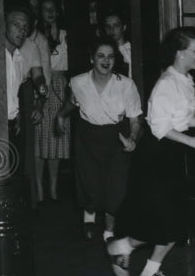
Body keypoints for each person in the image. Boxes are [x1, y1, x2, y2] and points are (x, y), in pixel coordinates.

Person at [106, 27, 195, 276]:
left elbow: (178, 118)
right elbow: (159, 126)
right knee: (162, 219)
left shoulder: (183, 80)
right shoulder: (166, 84)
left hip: (171, 153)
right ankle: (121, 247)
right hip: (155, 157)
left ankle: (149, 273)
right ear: (180, 53)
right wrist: (192, 140)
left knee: (175, 220)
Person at [55, 39, 142, 243]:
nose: (106, 61)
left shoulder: (126, 85)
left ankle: (109, 233)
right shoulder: (78, 82)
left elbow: (135, 119)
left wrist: (132, 138)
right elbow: (71, 103)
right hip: (88, 137)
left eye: (111, 56)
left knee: (117, 187)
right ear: (92, 58)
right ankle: (89, 214)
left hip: (117, 137)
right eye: (101, 56)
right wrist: (60, 116)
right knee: (89, 184)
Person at [32, 0, 70, 203]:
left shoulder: (65, 35)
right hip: (41, 86)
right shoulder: (35, 36)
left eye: (53, 8)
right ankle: (39, 188)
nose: (50, 12)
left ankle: (53, 189)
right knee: (39, 141)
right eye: (46, 9)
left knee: (55, 140)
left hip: (60, 86)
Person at [4, 7, 46, 182]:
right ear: (4, 26)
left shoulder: (19, 57)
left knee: (14, 172)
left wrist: (19, 116)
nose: (21, 31)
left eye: (25, 27)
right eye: (16, 25)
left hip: (13, 123)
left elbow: (15, 92)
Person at [102, 12, 132, 77]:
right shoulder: (101, 50)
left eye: (116, 26)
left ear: (124, 27)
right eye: (108, 26)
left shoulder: (132, 50)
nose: (111, 30)